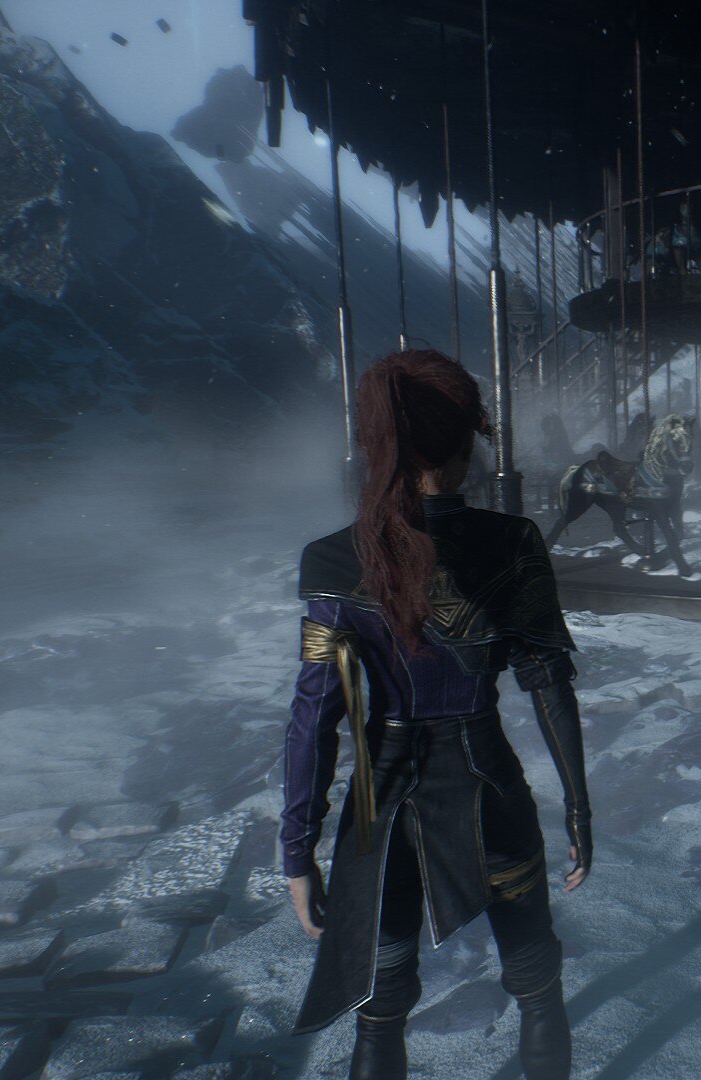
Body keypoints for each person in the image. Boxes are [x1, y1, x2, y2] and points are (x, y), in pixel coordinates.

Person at [280, 348, 592, 1079]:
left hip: (380, 811)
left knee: (380, 1005)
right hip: (491, 790)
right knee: (536, 982)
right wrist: (579, 809)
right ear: (463, 447)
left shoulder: (333, 561)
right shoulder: (512, 543)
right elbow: (548, 682)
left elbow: (314, 717)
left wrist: (298, 849)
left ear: (377, 446)